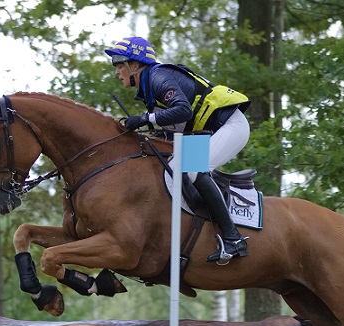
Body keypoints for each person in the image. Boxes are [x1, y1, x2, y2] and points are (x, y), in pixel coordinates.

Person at [104, 36, 251, 265]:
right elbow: (174, 128)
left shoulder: (158, 77)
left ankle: (234, 238)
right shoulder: (149, 87)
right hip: (206, 132)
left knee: (193, 171)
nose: (117, 72)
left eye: (119, 65)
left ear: (134, 65)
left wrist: (144, 119)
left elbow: (183, 111)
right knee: (172, 169)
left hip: (232, 126)